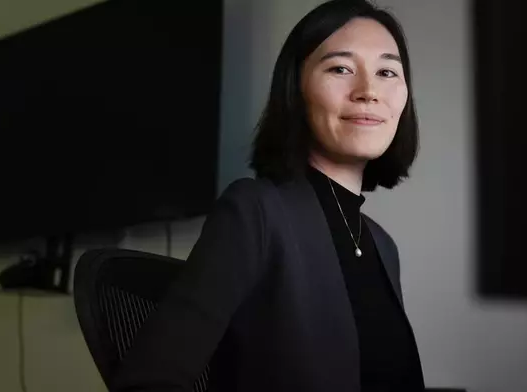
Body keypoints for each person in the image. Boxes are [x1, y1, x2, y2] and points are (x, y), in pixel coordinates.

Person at [112, 0, 424, 390]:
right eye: (341, 68)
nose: (368, 91)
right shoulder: (255, 211)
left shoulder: (382, 245)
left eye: (386, 71)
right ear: (296, 89)